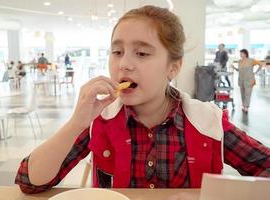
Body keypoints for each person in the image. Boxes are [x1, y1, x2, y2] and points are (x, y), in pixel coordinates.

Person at [15, 5, 270, 194]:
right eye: (117, 51)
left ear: (173, 67)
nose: (124, 64)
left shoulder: (208, 122)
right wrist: (75, 123)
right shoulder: (99, 120)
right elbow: (30, 182)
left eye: (142, 53)